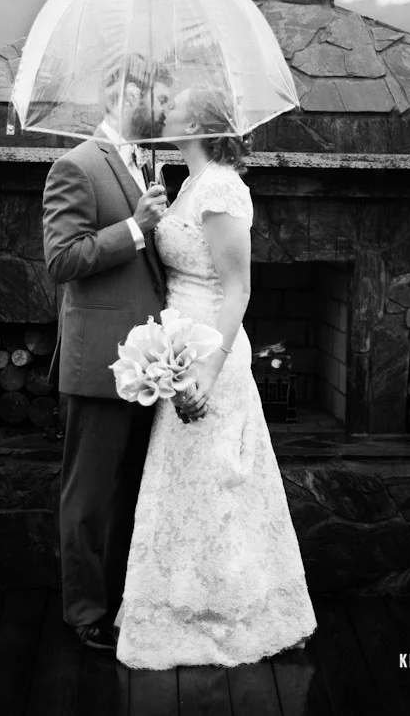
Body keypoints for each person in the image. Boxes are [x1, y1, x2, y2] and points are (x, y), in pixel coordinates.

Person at [114, 85, 317, 668]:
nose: (165, 110)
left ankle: (233, 615)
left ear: (201, 122)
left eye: (175, 105)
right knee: (183, 485)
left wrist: (208, 365)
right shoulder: (188, 185)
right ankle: (178, 606)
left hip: (211, 354)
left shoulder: (222, 187)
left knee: (221, 483)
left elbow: (238, 289)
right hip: (176, 346)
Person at [42, 54, 172, 652]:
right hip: (99, 364)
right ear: (122, 90)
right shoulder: (76, 166)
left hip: (146, 364)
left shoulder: (142, 163)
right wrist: (137, 229)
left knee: (126, 492)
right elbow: (62, 259)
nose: (165, 103)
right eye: (157, 91)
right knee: (88, 497)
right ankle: (84, 612)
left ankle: (122, 601)